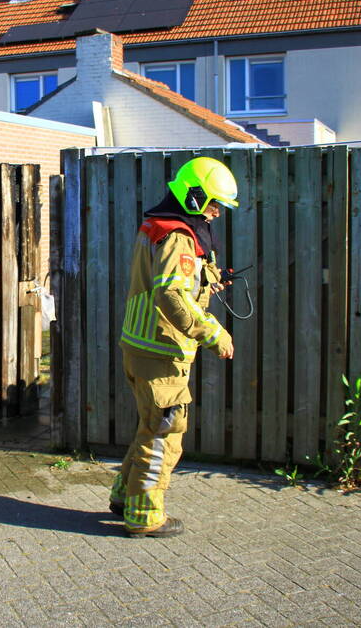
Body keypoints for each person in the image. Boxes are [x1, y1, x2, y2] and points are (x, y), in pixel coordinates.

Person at [109, 157, 238, 537]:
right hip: (162, 352)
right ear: (194, 196)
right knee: (166, 436)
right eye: (213, 203)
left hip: (143, 347)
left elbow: (171, 283)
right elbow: (170, 295)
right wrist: (214, 333)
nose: (215, 213)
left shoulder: (159, 226)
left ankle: (125, 497)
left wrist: (208, 283)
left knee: (150, 427)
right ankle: (145, 516)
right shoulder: (179, 236)